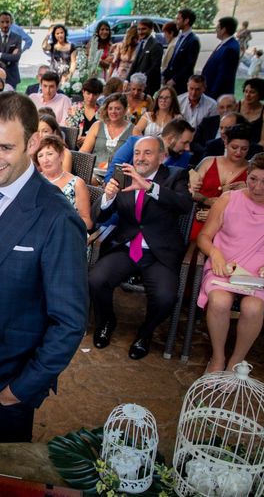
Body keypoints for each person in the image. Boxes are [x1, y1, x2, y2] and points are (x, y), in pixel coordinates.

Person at [0, 91, 87, 443]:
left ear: (33, 142)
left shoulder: (57, 218)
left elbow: (69, 323)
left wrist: (19, 390)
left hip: (4, 391)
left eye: (5, 148)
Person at [196, 153, 264, 372]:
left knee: (253, 307)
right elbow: (203, 237)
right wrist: (215, 253)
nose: (257, 187)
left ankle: (236, 360)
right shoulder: (228, 199)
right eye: (253, 179)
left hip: (260, 275)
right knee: (219, 301)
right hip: (224, 267)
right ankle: (217, 357)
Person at [89, 136, 194, 360]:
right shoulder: (123, 176)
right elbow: (98, 215)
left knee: (166, 297)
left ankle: (145, 333)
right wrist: (107, 197)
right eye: (137, 153)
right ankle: (106, 321)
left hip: (159, 252)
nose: (140, 158)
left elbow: (184, 205)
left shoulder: (175, 176)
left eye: (148, 153)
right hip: (126, 247)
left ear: (162, 157)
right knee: (96, 280)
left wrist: (148, 187)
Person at [189, 125, 251, 240]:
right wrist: (205, 199)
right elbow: (190, 191)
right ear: (226, 143)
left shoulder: (252, 171)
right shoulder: (208, 162)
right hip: (198, 217)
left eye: (244, 149)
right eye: (234, 147)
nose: (239, 152)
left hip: (230, 225)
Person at [105, 118, 195, 181]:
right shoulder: (134, 143)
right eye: (185, 143)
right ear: (171, 139)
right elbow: (113, 172)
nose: (188, 148)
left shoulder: (183, 157)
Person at [34, 135, 91, 229]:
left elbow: (87, 223)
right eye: (40, 155)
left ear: (61, 156)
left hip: (66, 233)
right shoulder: (34, 181)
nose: (45, 160)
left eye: (50, 154)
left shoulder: (77, 184)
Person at [80, 93, 133, 182]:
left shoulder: (134, 130)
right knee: (89, 181)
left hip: (119, 175)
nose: (113, 112)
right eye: (110, 108)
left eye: (118, 108)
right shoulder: (97, 126)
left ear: (125, 110)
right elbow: (84, 152)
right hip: (95, 172)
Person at [202, 17, 240, 100]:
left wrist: (212, 95)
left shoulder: (230, 48)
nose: (216, 30)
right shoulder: (224, 44)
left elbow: (223, 75)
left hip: (217, 95)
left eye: (218, 27)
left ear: (224, 30)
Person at [163, 8, 200, 91]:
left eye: (178, 19)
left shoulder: (193, 40)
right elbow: (173, 59)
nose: (176, 21)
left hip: (180, 84)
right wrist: (165, 75)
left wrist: (174, 80)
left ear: (186, 21)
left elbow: (189, 65)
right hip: (170, 81)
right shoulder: (180, 37)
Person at [127, 19, 164, 96]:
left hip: (148, 86)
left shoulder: (156, 45)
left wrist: (140, 80)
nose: (140, 32)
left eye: (143, 29)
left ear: (151, 29)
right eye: (139, 29)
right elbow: (135, 64)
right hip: (137, 86)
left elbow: (155, 67)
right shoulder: (140, 44)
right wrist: (127, 80)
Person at [0, 12, 23, 90]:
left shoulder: (17, 38)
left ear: (11, 22)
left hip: (12, 77)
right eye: (2, 22)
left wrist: (0, 55)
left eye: (7, 22)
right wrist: (10, 56)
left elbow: (16, 57)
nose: (5, 25)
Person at [238, 78, 264, 148]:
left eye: (252, 92)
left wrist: (253, 151)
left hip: (255, 148)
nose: (247, 95)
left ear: (260, 94)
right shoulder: (236, 106)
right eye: (246, 91)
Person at [66, 78, 104, 145]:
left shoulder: (103, 112)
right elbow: (70, 130)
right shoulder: (74, 108)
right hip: (76, 146)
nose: (91, 97)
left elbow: (103, 133)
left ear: (99, 95)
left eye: (94, 94)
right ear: (83, 92)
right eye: (88, 93)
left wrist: (88, 138)